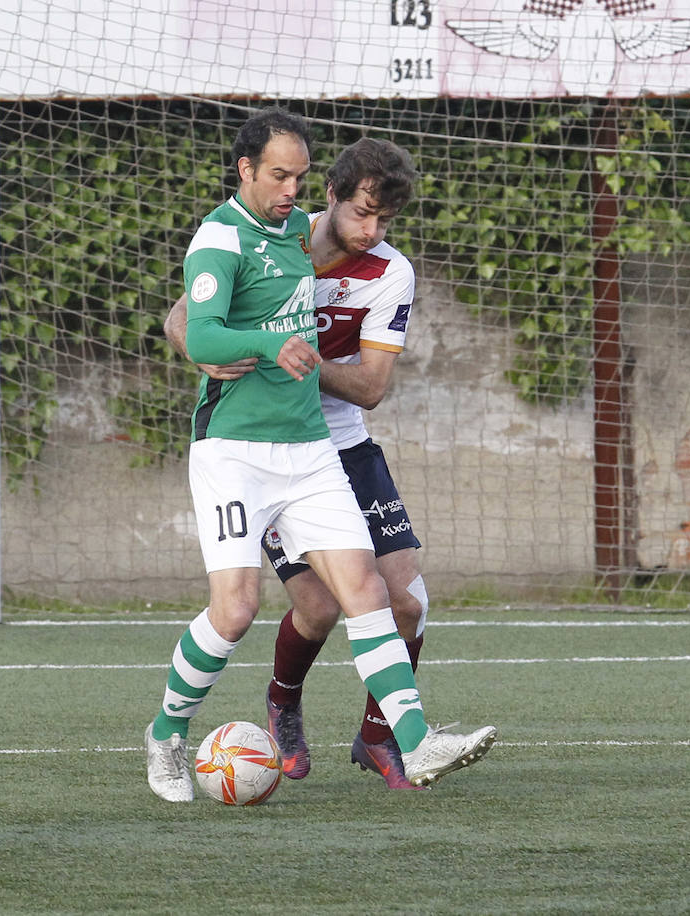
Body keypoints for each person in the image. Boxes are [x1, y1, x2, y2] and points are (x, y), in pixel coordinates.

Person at [165, 137, 496, 789]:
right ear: (331, 197)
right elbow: (184, 319)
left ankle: (383, 741)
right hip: (263, 440)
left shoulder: (391, 272)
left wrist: (296, 360)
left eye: (384, 221)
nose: (371, 232)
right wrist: (206, 353)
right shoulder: (276, 236)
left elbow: (371, 388)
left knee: (403, 602)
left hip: (338, 441)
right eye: (361, 213)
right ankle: (282, 703)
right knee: (315, 607)